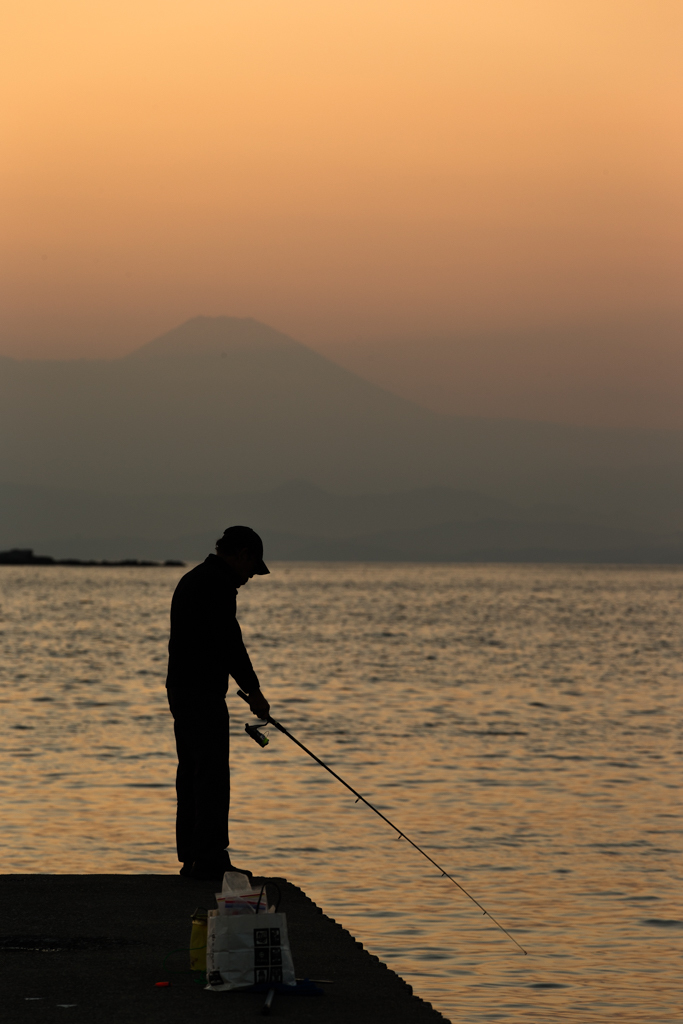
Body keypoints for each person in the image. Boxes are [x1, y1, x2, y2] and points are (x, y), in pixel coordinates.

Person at [166, 525, 271, 880]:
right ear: (242, 555)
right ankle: (209, 858)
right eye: (251, 568)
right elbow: (230, 643)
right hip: (201, 694)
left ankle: (192, 856)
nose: (249, 577)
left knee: (191, 773)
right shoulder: (217, 585)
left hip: (182, 691)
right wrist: (254, 691)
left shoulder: (194, 579)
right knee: (211, 775)